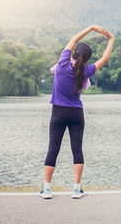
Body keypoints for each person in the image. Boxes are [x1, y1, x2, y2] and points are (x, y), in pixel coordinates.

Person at [40, 25, 114, 199]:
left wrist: (91, 28)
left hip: (58, 113)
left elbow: (73, 39)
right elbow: (104, 59)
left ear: (73, 53)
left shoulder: (63, 62)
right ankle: (76, 189)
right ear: (87, 58)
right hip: (76, 115)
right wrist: (111, 39)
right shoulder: (85, 71)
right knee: (77, 150)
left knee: (53, 149)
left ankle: (47, 189)